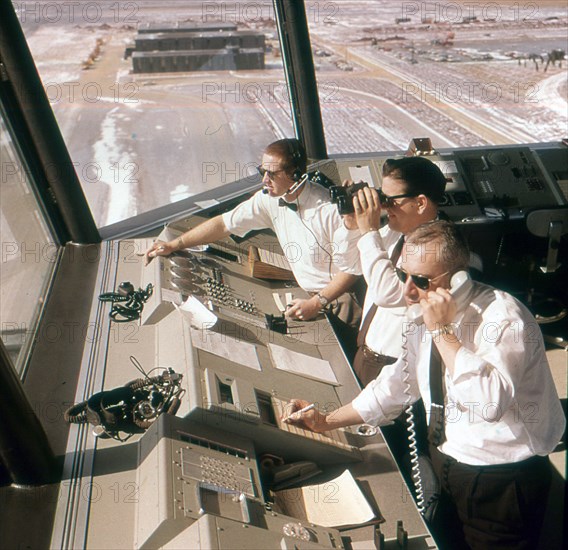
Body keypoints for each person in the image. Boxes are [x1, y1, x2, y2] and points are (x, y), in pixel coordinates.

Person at [285, 220, 565, 550]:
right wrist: (327, 421)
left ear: (458, 279)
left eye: (420, 279)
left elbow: (489, 402)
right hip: (448, 458)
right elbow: (398, 386)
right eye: (403, 273)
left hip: (500, 478)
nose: (406, 290)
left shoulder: (503, 320)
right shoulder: (425, 314)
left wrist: (442, 333)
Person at [145, 138, 363, 335]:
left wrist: (316, 303)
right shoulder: (269, 199)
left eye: (272, 174)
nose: (265, 180)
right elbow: (223, 224)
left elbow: (351, 270)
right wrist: (174, 244)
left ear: (295, 175)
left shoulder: (328, 210)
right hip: (312, 295)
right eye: (262, 172)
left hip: (341, 298)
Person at [349, 156, 447, 385]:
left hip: (393, 368)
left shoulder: (438, 248)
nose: (384, 206)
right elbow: (350, 264)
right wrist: (351, 223)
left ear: (421, 203)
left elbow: (388, 292)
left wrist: (368, 232)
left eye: (390, 200)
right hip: (366, 353)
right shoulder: (396, 232)